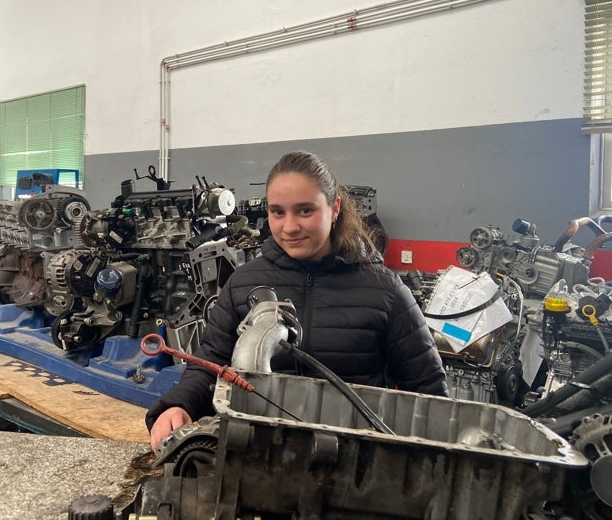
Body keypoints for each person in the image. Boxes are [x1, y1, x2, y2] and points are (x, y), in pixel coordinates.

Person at [146, 151, 448, 451]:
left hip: (357, 468)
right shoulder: (243, 283)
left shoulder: (385, 291)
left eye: (305, 211)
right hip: (258, 456)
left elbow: (429, 393)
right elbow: (210, 364)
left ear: (334, 208)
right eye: (278, 212)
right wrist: (178, 405)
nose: (289, 227)